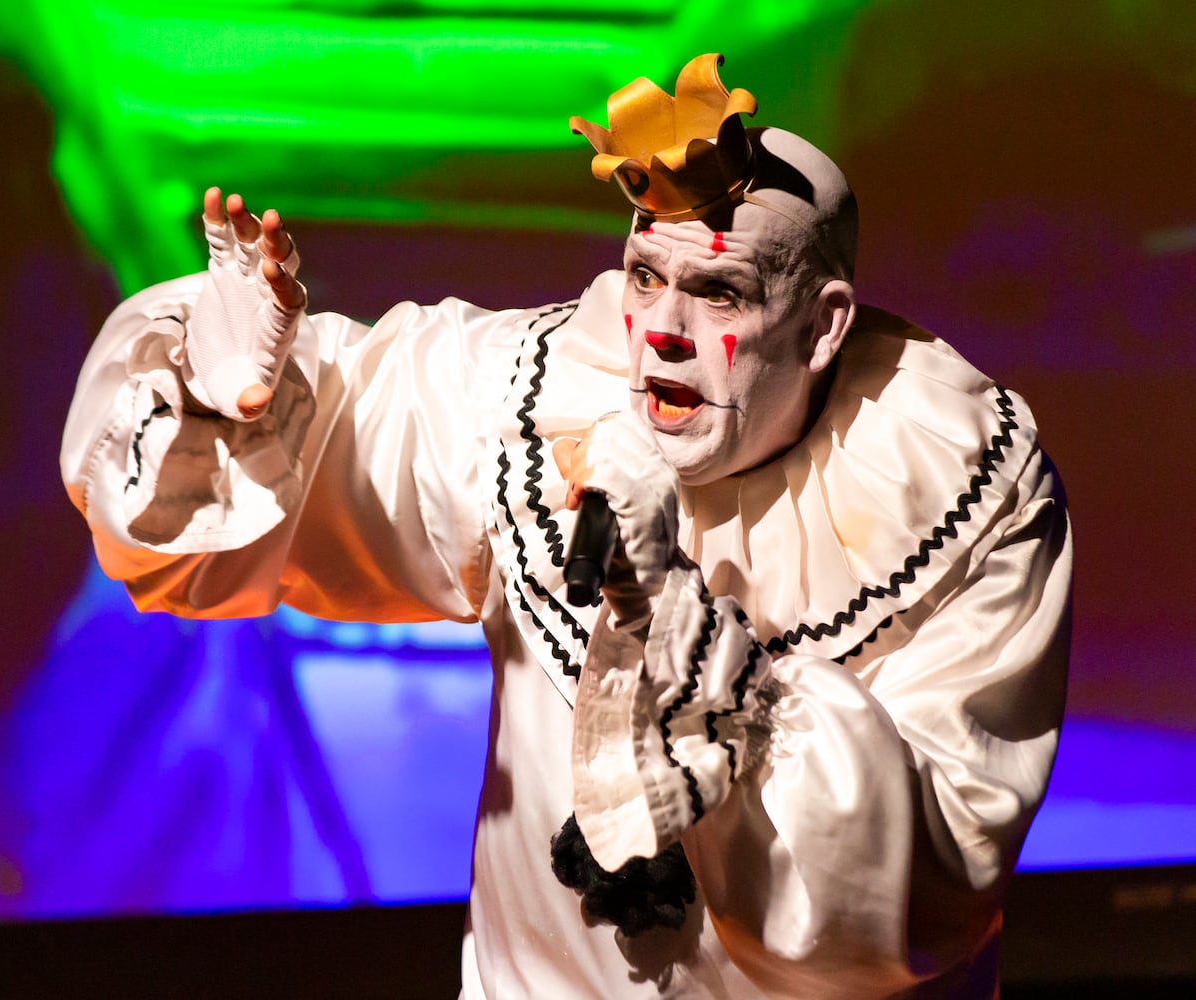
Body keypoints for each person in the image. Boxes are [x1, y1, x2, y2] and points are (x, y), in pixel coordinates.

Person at [61, 53, 1070, 998]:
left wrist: (690, 639)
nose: (664, 330)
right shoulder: (531, 400)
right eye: (645, 277)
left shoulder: (958, 485)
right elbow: (243, 511)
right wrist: (221, 392)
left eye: (718, 290)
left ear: (824, 324)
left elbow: (920, 895)